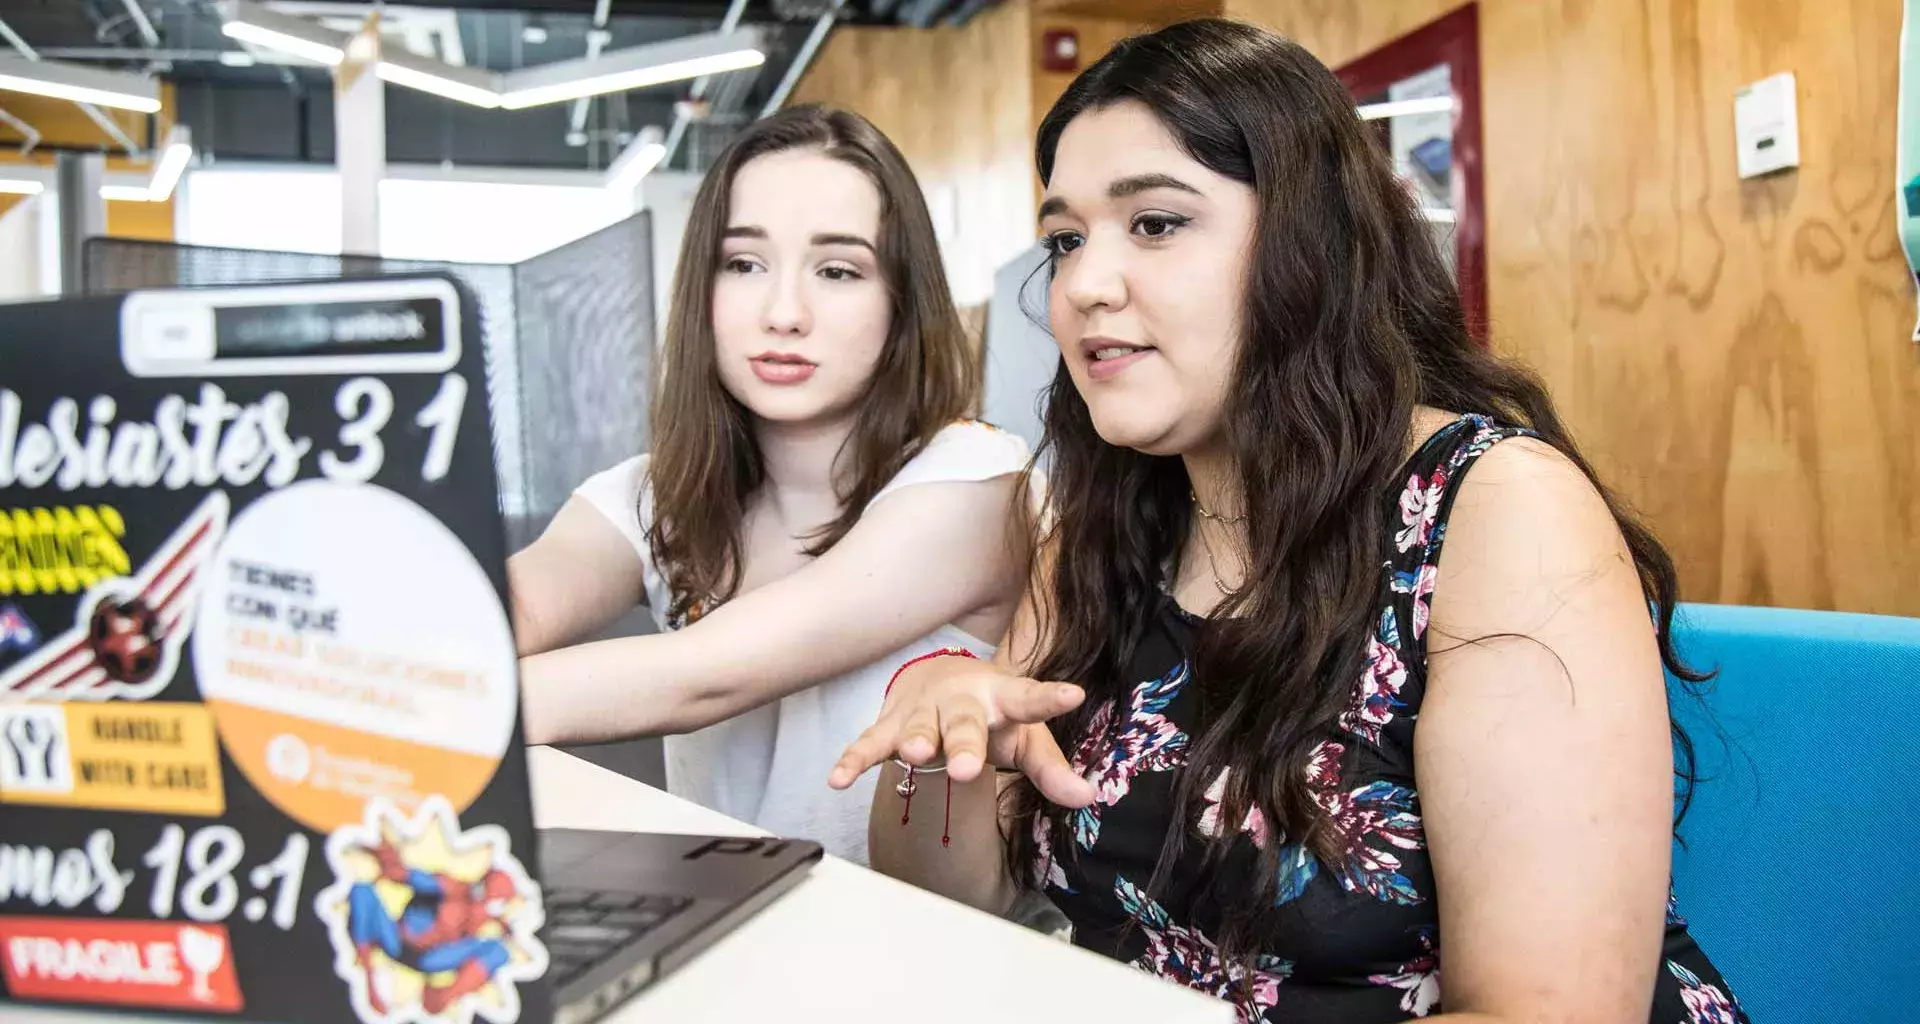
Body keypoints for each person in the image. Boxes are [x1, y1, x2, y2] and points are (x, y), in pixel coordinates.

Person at [831, 20, 1747, 1023]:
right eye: (1065, 239)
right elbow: (951, 898)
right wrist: (941, 744)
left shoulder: (1494, 512)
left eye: (1156, 223)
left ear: (1312, 243)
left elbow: (1554, 1013)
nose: (1083, 284)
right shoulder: (1113, 518)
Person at [512, 105, 1031, 865]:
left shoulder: (971, 481)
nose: (783, 313)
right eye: (743, 264)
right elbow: (511, 606)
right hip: (720, 934)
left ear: (900, 301)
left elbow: (701, 680)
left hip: (915, 950)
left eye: (838, 271)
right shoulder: (653, 494)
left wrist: (431, 700)